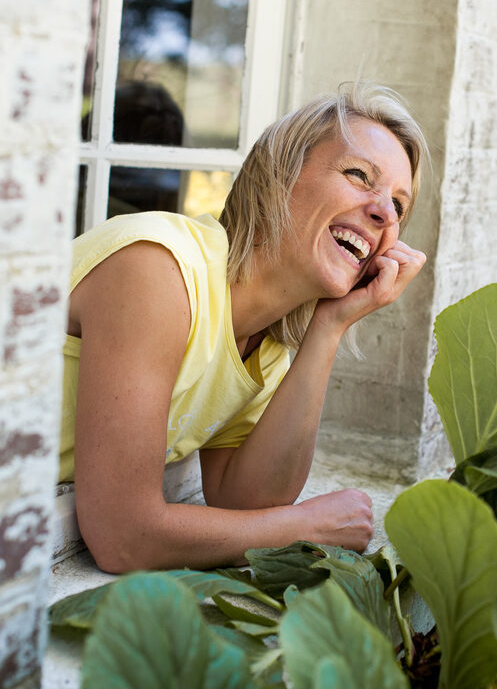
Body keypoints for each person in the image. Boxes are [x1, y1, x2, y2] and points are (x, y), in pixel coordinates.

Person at [60, 83, 427, 572]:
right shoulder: (159, 269)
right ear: (279, 176)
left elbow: (247, 505)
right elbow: (123, 537)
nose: (384, 213)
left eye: (399, 206)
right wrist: (306, 526)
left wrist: (329, 329)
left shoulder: (265, 349)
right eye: (359, 175)